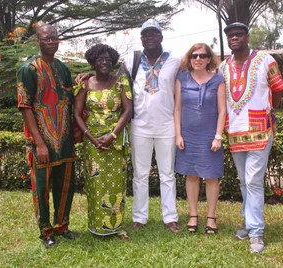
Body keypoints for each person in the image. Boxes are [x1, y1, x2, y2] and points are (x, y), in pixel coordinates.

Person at [75, 19, 182, 233]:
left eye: (153, 33)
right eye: (145, 34)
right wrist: (88, 75)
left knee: (167, 174)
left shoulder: (175, 61)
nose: (149, 37)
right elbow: (111, 79)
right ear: (141, 38)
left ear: (161, 36)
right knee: (140, 174)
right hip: (140, 126)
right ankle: (139, 218)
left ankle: (170, 217)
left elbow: (194, 75)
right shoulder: (131, 61)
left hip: (167, 125)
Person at [218, 22, 283, 253]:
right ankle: (248, 223)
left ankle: (256, 232)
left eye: (238, 34)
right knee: (244, 182)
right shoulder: (223, 66)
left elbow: (279, 89)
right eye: (230, 35)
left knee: (253, 181)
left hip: (260, 130)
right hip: (235, 132)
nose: (234, 38)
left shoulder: (266, 60)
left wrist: (269, 111)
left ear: (247, 36)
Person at [17, 24, 76, 248]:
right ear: (38, 41)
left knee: (66, 184)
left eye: (54, 38)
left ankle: (62, 226)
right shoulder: (28, 69)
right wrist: (39, 143)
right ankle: (46, 231)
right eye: (46, 38)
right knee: (41, 187)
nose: (51, 41)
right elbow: (25, 107)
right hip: (41, 140)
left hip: (65, 138)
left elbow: (71, 99)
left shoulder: (63, 68)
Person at [73, 44, 132, 239]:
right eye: (100, 59)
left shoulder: (120, 83)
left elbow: (128, 111)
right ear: (93, 62)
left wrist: (112, 136)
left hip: (115, 142)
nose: (104, 62)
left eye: (107, 59)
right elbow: (77, 114)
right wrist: (91, 138)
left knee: (116, 185)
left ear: (112, 61)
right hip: (92, 143)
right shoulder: (85, 84)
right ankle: (97, 226)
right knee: (95, 185)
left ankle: (115, 227)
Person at [174, 43, 226, 234]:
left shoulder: (218, 80)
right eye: (194, 55)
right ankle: (193, 215)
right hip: (188, 136)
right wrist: (178, 134)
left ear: (209, 59)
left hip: (210, 136)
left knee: (212, 177)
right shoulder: (181, 79)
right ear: (189, 58)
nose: (198, 59)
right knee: (192, 175)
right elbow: (177, 109)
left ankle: (211, 217)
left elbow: (222, 111)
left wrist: (218, 136)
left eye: (202, 56)